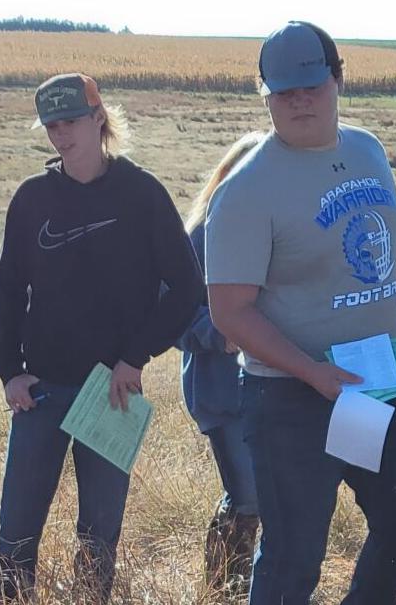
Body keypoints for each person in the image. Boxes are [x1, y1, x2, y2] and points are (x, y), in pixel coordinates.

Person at [205, 21, 396, 605]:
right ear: (265, 94)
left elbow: (390, 259)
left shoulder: (368, 151)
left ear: (339, 79)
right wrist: (313, 373)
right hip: (291, 401)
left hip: (376, 382)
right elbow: (229, 313)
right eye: (283, 90)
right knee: (294, 559)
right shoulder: (247, 191)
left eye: (312, 84)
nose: (299, 100)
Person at [0, 72, 203, 604]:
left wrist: (135, 357)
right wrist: (10, 371)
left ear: (98, 118)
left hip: (114, 392)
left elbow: (188, 288)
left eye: (70, 122)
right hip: (41, 393)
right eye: (51, 125)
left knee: (99, 541)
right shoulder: (32, 199)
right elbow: (7, 291)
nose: (60, 135)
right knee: (14, 540)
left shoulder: (142, 193)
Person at [177, 131, 265, 598]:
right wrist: (224, 334)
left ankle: (255, 587)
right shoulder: (200, 236)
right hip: (221, 393)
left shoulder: (279, 228)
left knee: (271, 500)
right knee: (247, 495)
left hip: (275, 392)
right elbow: (174, 318)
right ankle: (222, 588)